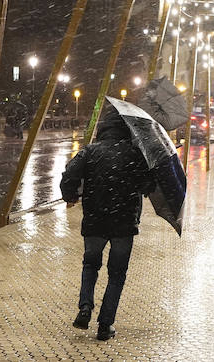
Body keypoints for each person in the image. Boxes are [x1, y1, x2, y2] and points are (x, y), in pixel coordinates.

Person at [60, 108, 155, 341]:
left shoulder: (90, 151)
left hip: (95, 219)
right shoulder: (136, 153)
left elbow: (69, 175)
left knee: (90, 265)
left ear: (104, 128)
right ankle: (105, 324)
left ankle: (85, 307)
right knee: (117, 273)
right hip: (124, 222)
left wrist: (70, 196)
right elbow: (148, 186)